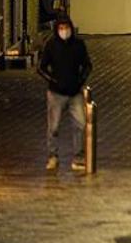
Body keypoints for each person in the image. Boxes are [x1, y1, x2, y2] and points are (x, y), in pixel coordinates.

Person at [37, 14, 92, 171]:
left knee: (80, 125)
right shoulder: (52, 45)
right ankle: (52, 156)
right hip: (56, 93)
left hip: (75, 92)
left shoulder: (78, 45)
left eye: (66, 27)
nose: (64, 31)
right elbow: (41, 67)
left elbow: (87, 64)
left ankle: (78, 157)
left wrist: (81, 80)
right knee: (53, 127)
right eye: (60, 28)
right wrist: (52, 80)